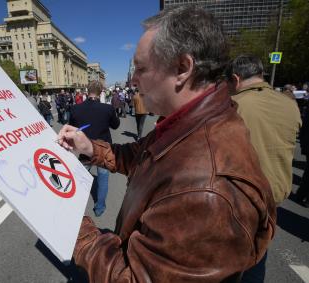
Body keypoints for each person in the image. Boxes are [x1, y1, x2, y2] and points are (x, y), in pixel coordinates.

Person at [57, 6, 275, 282]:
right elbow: (139, 156)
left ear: (183, 68)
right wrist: (89, 147)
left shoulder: (208, 190)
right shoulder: (191, 122)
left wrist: (72, 224)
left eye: (141, 68)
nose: (133, 80)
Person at [225, 54, 301, 282]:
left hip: (238, 200)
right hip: (273, 198)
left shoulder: (234, 106)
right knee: (258, 254)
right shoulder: (289, 105)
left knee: (227, 264)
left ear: (236, 79)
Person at [69, 81, 120, 216]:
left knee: (79, 181)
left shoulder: (76, 108)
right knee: (103, 179)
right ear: (101, 92)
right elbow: (115, 125)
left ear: (87, 91)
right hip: (103, 149)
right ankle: (99, 208)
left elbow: (72, 128)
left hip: (84, 150)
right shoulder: (107, 109)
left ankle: (75, 209)